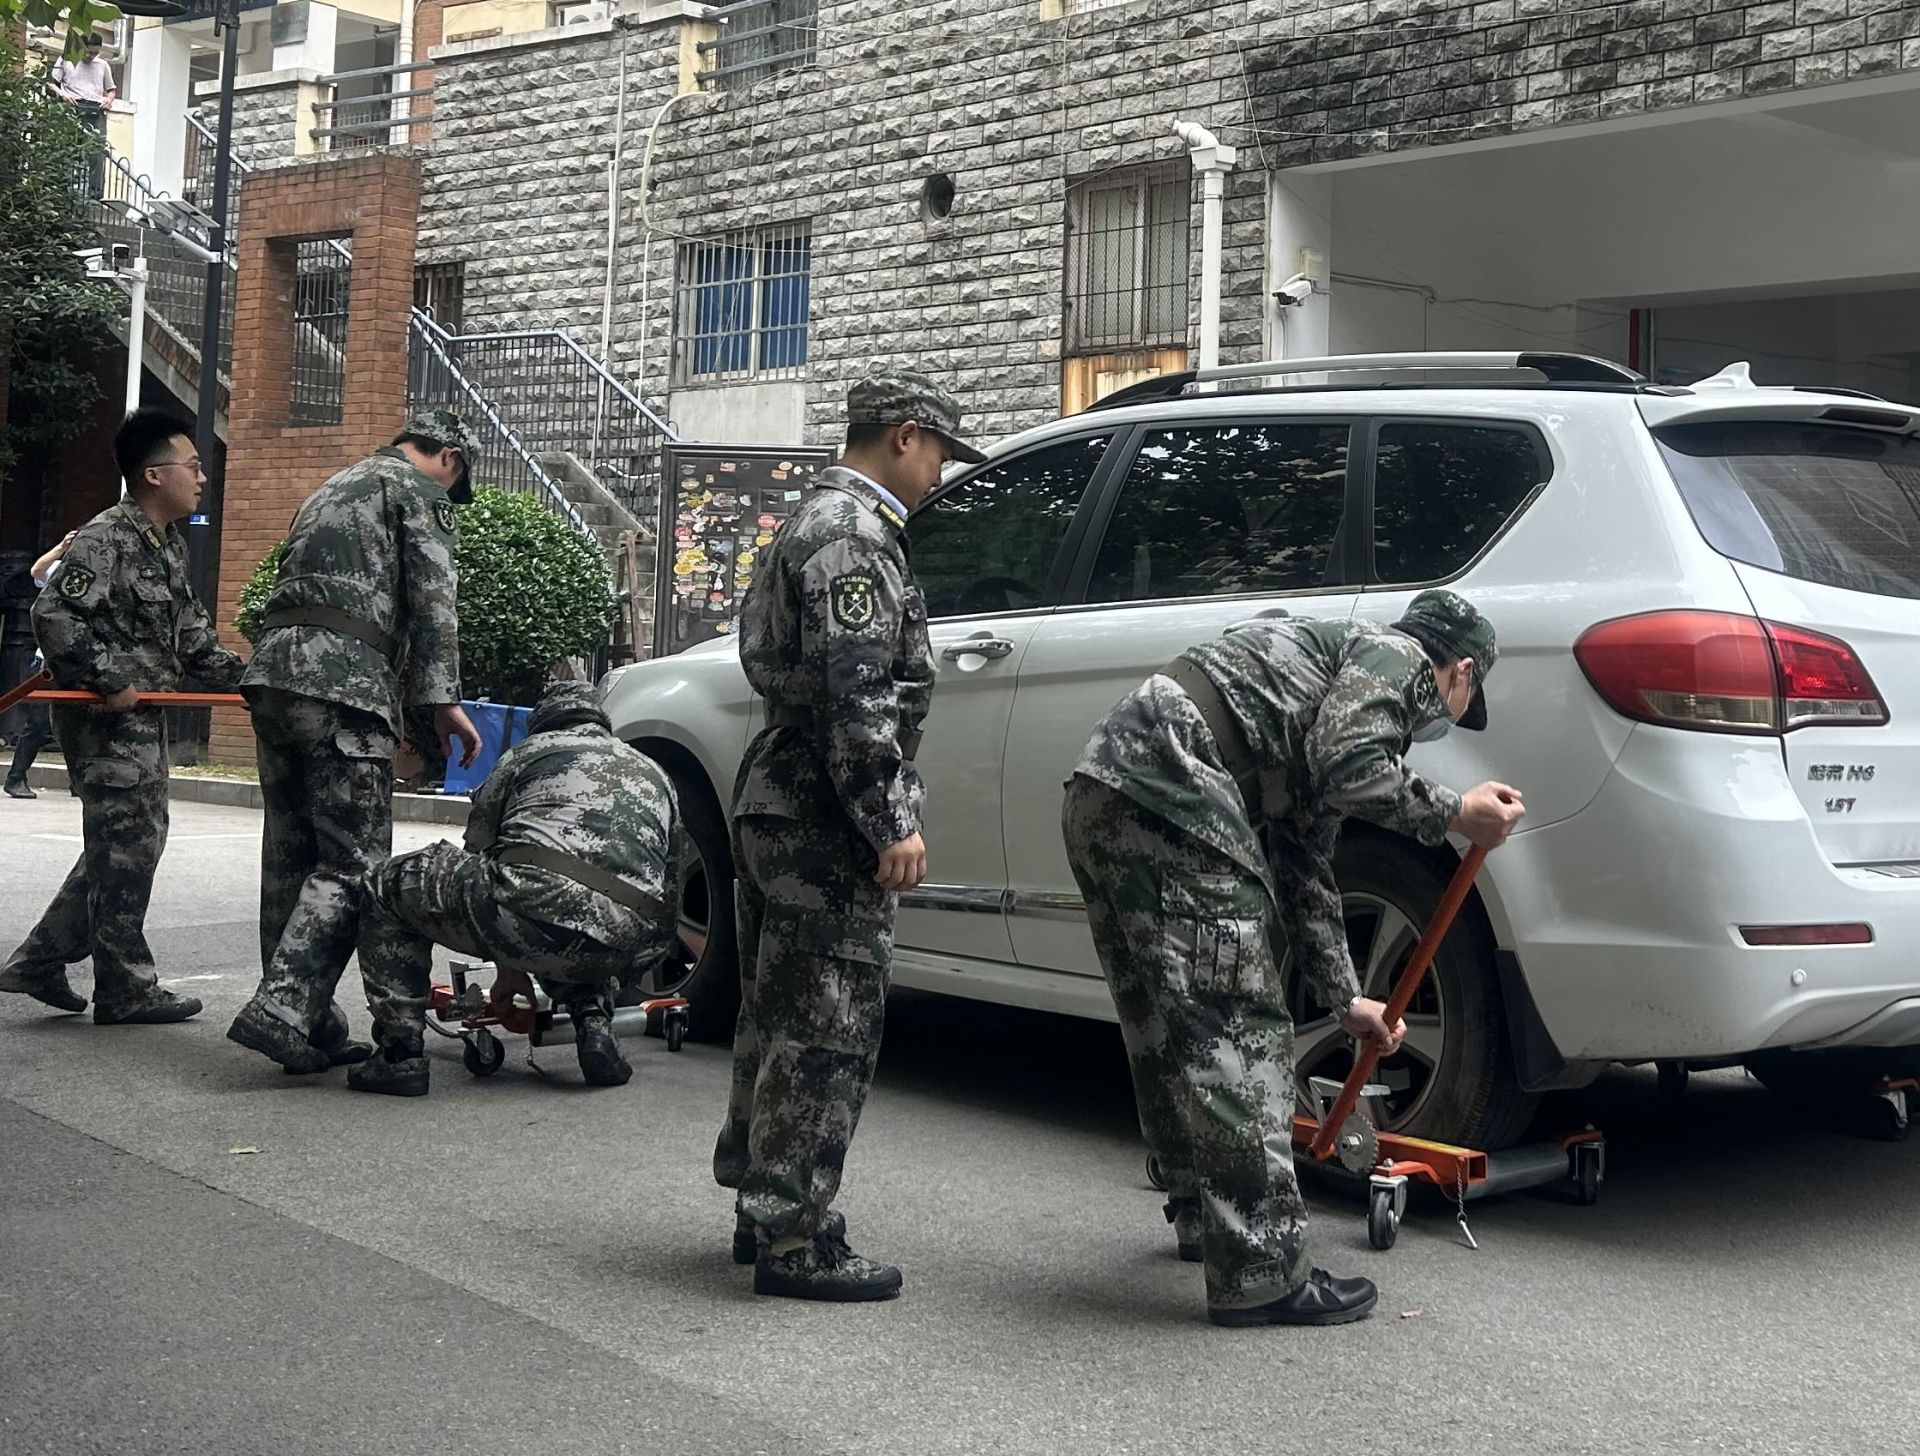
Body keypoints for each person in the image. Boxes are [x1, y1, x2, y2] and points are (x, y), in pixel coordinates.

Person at [1060, 590, 1527, 1328]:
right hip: (1178, 794)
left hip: (1106, 791)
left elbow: (1304, 861)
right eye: (1457, 705)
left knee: (1170, 1029)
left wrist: (1346, 1000)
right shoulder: (1397, 657)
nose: (1439, 722)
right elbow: (1350, 765)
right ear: (1461, 672)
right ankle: (1261, 1270)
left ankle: (1205, 1214)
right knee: (1238, 1030)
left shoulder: (1320, 672)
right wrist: (1454, 812)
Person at [712, 369, 983, 1302]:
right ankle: (794, 1236)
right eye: (939, 451)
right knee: (826, 1027)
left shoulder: (814, 521)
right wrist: (889, 818)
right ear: (905, 435)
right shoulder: (854, 537)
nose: (940, 472)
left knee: (777, 1012)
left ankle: (762, 1206)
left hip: (782, 793)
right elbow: (856, 692)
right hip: (824, 812)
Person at [226, 409, 482, 1076]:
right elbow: (435, 599)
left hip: (276, 678)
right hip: (344, 685)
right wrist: (443, 701)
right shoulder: (416, 491)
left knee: (289, 855)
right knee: (354, 862)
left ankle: (308, 1023)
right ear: (450, 458)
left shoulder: (333, 485)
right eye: (455, 481)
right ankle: (282, 1009)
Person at [0, 410, 246, 1023]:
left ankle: (39, 960)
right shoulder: (105, 537)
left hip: (143, 721)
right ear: (154, 474)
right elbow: (53, 616)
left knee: (127, 843)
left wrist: (259, 682)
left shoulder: (166, 545)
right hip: (106, 723)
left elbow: (194, 642)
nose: (202, 479)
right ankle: (125, 988)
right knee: (129, 844)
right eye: (193, 467)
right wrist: (109, 679)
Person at [348, 678, 682, 1095]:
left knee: (388, 884)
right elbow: (670, 887)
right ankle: (595, 1027)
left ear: (542, 722)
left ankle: (399, 1056)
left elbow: (480, 860)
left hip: (535, 914)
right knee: (592, 914)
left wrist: (509, 964)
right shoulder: (653, 772)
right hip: (630, 944)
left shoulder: (526, 754)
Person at [3, 532, 78, 799]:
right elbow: (37, 570)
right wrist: (62, 547)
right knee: (38, 722)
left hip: (80, 659)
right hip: (48, 657)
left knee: (78, 722)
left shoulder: (102, 575)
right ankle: (15, 777)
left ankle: (78, 781)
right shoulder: (62, 570)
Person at [49, 34, 116, 198]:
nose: (91, 56)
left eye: (95, 53)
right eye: (89, 52)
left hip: (95, 109)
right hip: (72, 106)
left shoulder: (103, 65)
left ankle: (95, 194)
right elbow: (51, 83)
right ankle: (63, 191)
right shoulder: (66, 59)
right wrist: (63, 94)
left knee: (97, 151)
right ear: (82, 48)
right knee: (67, 148)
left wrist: (108, 101)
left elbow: (111, 89)